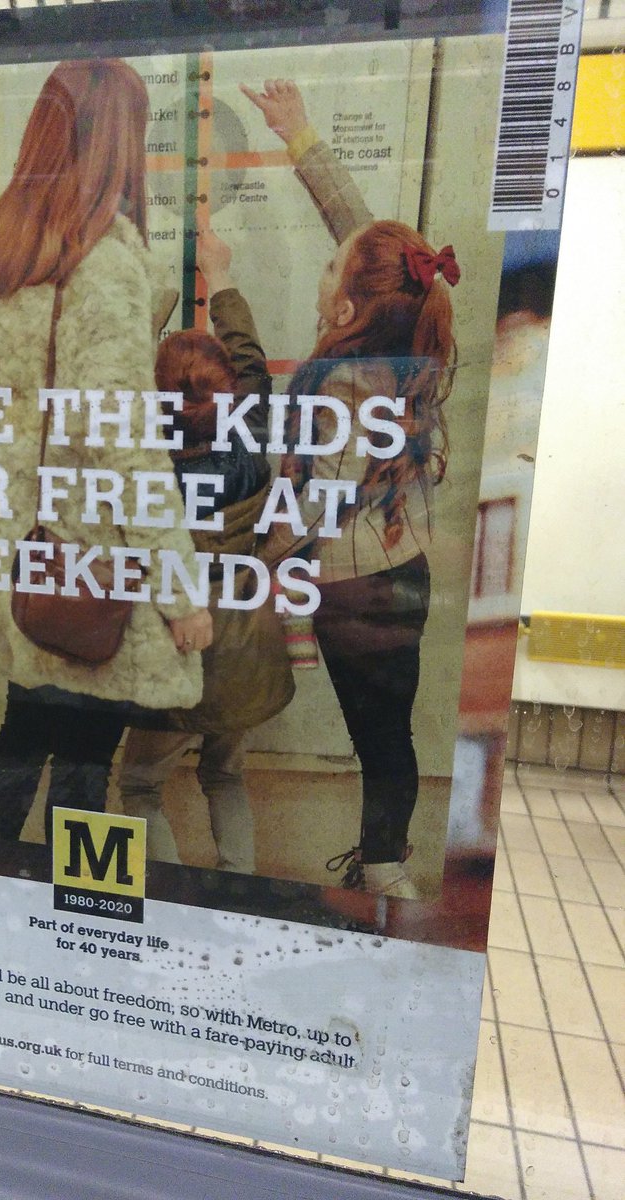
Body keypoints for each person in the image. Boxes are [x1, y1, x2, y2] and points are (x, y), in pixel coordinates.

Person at [0, 59, 212, 845]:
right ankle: (76, 912)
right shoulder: (100, 264)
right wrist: (180, 590)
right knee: (86, 759)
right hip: (93, 560)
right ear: (121, 142)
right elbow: (123, 443)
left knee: (22, 729)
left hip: (20, 552)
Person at [234, 80, 460, 898]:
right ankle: (386, 861)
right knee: (392, 735)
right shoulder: (415, 337)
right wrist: (299, 135)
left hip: (353, 587)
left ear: (351, 301)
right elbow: (365, 235)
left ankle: (386, 877)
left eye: (332, 270)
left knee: (376, 736)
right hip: (407, 569)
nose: (326, 271)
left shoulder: (341, 385)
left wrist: (253, 563)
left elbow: (317, 506)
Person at [118, 232, 294, 873]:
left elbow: (118, 385)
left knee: (140, 784)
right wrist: (219, 276)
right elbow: (249, 361)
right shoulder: (249, 436)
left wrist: (151, 302)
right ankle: (236, 885)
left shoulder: (145, 461)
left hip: (179, 652)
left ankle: (170, 899)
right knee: (224, 774)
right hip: (245, 649)